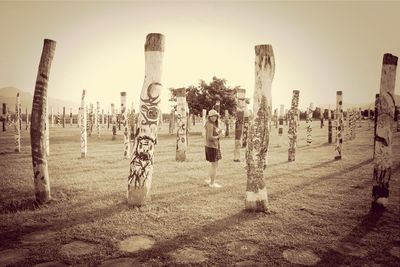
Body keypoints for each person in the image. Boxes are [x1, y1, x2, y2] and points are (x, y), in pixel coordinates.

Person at [204, 109, 223, 188]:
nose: (214, 117)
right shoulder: (210, 125)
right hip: (212, 147)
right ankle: (212, 183)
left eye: (215, 116)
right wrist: (219, 136)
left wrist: (219, 132)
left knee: (213, 165)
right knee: (215, 165)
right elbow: (209, 137)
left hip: (212, 146)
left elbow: (213, 133)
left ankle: (210, 180)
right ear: (209, 117)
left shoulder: (212, 124)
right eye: (212, 116)